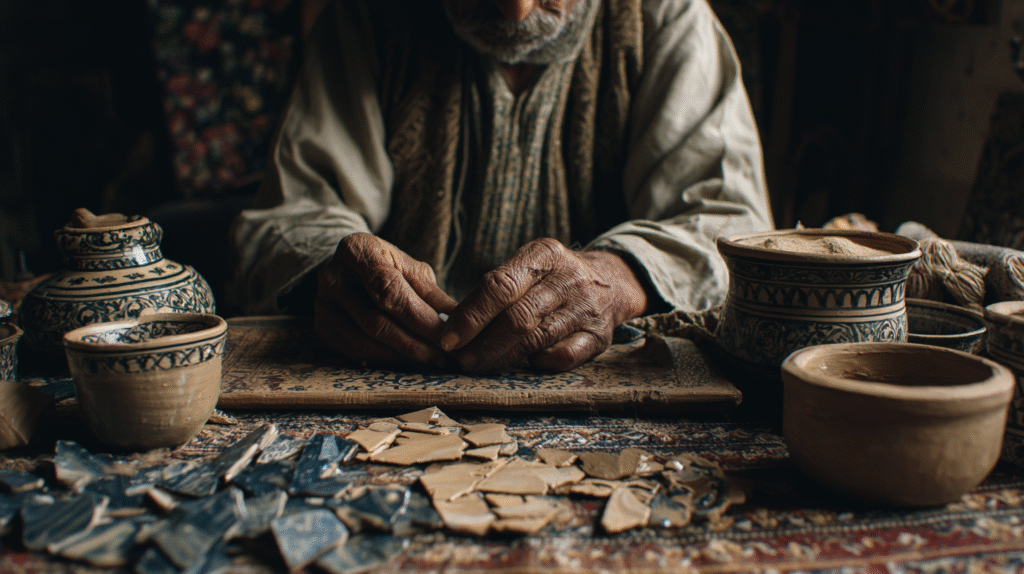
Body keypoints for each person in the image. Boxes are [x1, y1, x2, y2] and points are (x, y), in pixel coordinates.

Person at [229, 0, 774, 374]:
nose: (513, 8)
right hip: (399, 384)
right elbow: (293, 216)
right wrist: (334, 275)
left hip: (600, 385)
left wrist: (616, 277)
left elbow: (731, 226)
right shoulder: (370, 15)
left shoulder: (666, 15)